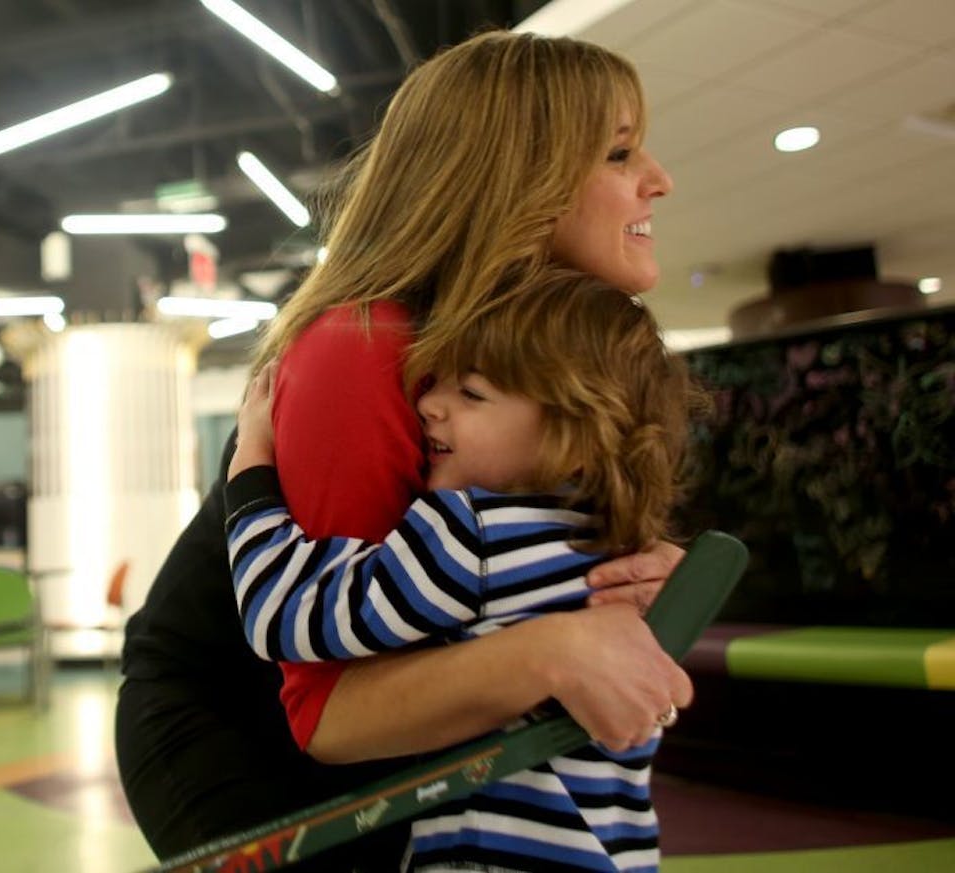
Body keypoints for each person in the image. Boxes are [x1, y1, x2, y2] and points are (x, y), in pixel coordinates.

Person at [117, 29, 691, 871]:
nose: (659, 179)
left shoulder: (527, 348)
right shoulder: (363, 347)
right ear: (515, 179)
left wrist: (610, 578)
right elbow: (331, 713)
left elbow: (502, 556)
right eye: (618, 152)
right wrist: (554, 647)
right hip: (246, 725)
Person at [226, 273, 702, 871]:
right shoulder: (616, 549)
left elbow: (284, 614)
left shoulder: (473, 537)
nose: (429, 403)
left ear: (575, 432)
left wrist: (249, 469)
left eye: (471, 394)